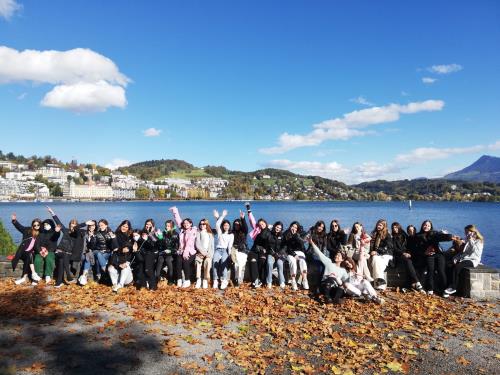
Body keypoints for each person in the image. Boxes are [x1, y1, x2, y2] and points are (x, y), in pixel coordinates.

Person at [47, 206, 86, 287]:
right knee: (63, 255)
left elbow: (86, 231)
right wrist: (52, 213)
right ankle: (69, 276)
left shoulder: (78, 234)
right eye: (72, 223)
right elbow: (59, 222)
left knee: (61, 263)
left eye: (75, 224)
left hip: (68, 254)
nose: (73, 225)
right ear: (70, 224)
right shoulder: (65, 231)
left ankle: (59, 282)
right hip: (60, 251)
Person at [415, 220, 455, 295]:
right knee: (430, 271)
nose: (426, 226)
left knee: (441, 271)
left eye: (428, 225)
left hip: (438, 254)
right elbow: (417, 248)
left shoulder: (434, 233)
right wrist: (424, 252)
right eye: (425, 225)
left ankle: (444, 289)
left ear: (431, 227)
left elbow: (442, 237)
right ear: (422, 225)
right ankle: (430, 289)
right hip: (429, 256)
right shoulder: (418, 235)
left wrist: (449, 236)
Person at [444, 225, 484, 297]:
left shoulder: (479, 241)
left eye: (467, 232)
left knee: (458, 267)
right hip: (464, 258)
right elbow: (464, 251)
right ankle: (447, 286)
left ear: (473, 232)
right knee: (449, 265)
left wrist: (470, 239)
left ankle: (453, 287)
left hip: (473, 259)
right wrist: (456, 257)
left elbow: (474, 251)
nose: (466, 234)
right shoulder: (467, 239)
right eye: (465, 232)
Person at [308, 237, 349, 304]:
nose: (336, 256)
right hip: (325, 285)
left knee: (341, 287)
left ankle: (336, 299)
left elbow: (347, 281)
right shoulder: (329, 262)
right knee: (331, 278)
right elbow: (319, 253)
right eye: (336, 255)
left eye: (338, 256)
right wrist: (312, 243)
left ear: (342, 260)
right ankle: (327, 297)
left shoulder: (343, 270)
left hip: (334, 288)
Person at [391, 222, 424, 292]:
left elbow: (409, 246)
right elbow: (394, 249)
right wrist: (403, 253)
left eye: (396, 227)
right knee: (408, 261)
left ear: (399, 227)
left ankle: (411, 285)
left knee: (412, 264)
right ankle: (417, 282)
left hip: (407, 254)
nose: (395, 229)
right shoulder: (393, 237)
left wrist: (408, 252)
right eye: (393, 228)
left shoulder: (404, 235)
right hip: (398, 255)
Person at [11, 213, 42, 285]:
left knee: (30, 255)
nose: (36, 226)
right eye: (35, 225)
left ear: (40, 225)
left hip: (30, 253)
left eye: (38, 225)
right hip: (22, 252)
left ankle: (24, 278)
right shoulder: (27, 230)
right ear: (32, 225)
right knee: (29, 254)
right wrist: (14, 221)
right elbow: (19, 227)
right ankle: (34, 273)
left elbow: (38, 246)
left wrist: (41, 250)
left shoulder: (40, 234)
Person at [171, 206, 197, 288]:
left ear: (191, 224)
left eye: (187, 223)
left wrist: (185, 253)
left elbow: (189, 243)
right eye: (184, 223)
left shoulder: (193, 231)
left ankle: (187, 280)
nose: (186, 225)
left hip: (190, 252)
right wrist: (175, 211)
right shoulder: (182, 230)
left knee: (185, 262)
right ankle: (179, 279)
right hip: (181, 251)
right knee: (178, 261)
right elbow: (178, 221)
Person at [247, 203, 269, 288]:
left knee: (262, 261)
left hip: (264, 250)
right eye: (260, 224)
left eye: (262, 224)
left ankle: (261, 279)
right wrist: (249, 210)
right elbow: (252, 220)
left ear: (265, 224)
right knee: (252, 261)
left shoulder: (269, 231)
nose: (261, 225)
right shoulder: (257, 230)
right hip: (255, 249)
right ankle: (255, 280)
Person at [283, 221, 309, 290]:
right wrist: (294, 255)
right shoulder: (286, 234)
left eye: (295, 227)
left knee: (302, 261)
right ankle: (293, 281)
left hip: (299, 252)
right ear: (290, 226)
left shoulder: (299, 234)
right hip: (289, 253)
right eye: (292, 226)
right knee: (293, 261)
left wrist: (296, 236)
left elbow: (302, 243)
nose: (293, 228)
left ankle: (304, 280)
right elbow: (287, 248)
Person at [369, 219, 393, 291]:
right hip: (377, 254)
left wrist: (377, 251)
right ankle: (380, 284)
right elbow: (371, 246)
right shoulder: (374, 234)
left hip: (386, 254)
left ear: (384, 226)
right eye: (378, 224)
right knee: (375, 260)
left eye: (380, 225)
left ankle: (379, 284)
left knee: (376, 261)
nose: (378, 226)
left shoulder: (387, 234)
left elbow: (388, 247)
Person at [212, 210, 234, 290]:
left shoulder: (231, 235)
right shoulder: (219, 232)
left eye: (227, 225)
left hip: (225, 250)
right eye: (224, 225)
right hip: (218, 250)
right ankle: (215, 280)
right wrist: (222, 216)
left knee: (224, 263)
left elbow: (230, 246)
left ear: (229, 226)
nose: (226, 226)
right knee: (214, 262)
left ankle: (224, 280)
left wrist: (229, 254)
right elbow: (218, 224)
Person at [34, 218, 59, 284]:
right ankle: (36, 276)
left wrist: (57, 231)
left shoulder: (54, 233)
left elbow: (56, 236)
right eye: (44, 224)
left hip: (50, 251)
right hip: (41, 250)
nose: (45, 226)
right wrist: (40, 251)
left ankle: (47, 276)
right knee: (37, 259)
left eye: (47, 224)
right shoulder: (41, 233)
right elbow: (37, 244)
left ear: (50, 225)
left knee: (49, 259)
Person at [156, 220, 179, 285]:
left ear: (172, 226)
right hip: (163, 252)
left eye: (169, 226)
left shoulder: (175, 234)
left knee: (168, 260)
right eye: (166, 226)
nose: (167, 227)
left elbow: (176, 247)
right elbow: (160, 246)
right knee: (160, 260)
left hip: (171, 253)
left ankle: (171, 279)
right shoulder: (163, 233)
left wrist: (170, 250)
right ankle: (157, 277)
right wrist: (160, 238)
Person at [231, 210, 249, 287]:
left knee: (241, 264)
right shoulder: (232, 232)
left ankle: (239, 279)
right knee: (236, 264)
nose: (237, 225)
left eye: (238, 224)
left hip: (243, 250)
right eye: (235, 224)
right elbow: (222, 228)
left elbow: (245, 227)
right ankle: (236, 278)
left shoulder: (244, 232)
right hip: (234, 250)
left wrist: (243, 218)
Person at [194, 218, 214, 289]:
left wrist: (209, 254)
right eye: (200, 224)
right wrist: (203, 253)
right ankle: (198, 279)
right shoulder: (198, 233)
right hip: (200, 252)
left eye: (203, 224)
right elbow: (197, 244)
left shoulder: (210, 234)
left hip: (208, 253)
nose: (202, 225)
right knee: (197, 262)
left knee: (208, 262)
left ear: (206, 225)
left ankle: (205, 279)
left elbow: (212, 246)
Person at [266, 221, 286, 289]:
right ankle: (269, 281)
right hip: (271, 253)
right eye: (277, 227)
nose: (278, 229)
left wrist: (279, 253)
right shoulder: (269, 234)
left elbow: (284, 246)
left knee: (280, 264)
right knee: (269, 263)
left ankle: (281, 281)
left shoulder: (282, 236)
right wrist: (268, 229)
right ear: (274, 226)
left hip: (280, 254)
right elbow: (267, 246)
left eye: (280, 228)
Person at [78, 220, 98, 285]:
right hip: (83, 252)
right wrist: (85, 223)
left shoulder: (97, 234)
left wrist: (92, 238)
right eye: (90, 225)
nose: (91, 227)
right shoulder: (84, 232)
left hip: (91, 253)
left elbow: (92, 247)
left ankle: (84, 276)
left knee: (88, 256)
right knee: (87, 256)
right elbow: (75, 228)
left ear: (95, 226)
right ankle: (84, 276)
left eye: (93, 225)